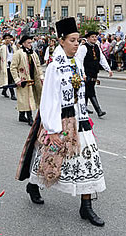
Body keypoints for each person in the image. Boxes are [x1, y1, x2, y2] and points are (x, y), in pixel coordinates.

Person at [16, 17, 106, 227]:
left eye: (78, 40)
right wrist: (53, 129)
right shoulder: (56, 66)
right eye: (73, 40)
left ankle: (86, 206)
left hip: (80, 118)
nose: (77, 44)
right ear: (61, 41)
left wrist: (84, 116)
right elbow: (48, 99)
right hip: (61, 120)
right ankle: (33, 184)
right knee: (49, 158)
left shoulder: (77, 63)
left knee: (88, 158)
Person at [75, 31, 113, 117]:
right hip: (86, 73)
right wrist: (82, 74)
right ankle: (98, 110)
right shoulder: (83, 48)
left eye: (95, 37)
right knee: (91, 91)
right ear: (88, 38)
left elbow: (102, 59)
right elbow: (79, 61)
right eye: (92, 37)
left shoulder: (97, 47)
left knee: (87, 91)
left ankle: (83, 107)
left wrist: (108, 69)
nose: (94, 38)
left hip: (94, 72)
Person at [10, 35, 44, 126]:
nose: (30, 44)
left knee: (30, 97)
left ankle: (21, 115)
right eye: (28, 43)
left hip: (33, 78)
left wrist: (41, 76)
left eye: (31, 42)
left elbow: (38, 65)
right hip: (24, 79)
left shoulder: (33, 53)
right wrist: (17, 79)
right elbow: (13, 67)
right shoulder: (18, 53)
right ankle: (30, 118)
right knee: (27, 98)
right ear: (23, 43)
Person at [0, 33, 17, 100]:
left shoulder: (13, 47)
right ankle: (12, 94)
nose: (8, 40)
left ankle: (4, 90)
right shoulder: (2, 48)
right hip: (6, 65)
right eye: (6, 38)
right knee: (9, 80)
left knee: (10, 79)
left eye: (9, 38)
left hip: (13, 65)